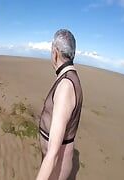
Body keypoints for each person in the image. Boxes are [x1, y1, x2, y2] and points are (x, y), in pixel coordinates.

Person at [36, 29, 83, 180]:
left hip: (56, 166)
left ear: (55, 52)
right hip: (55, 163)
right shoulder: (68, 77)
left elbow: (54, 152)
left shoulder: (65, 86)